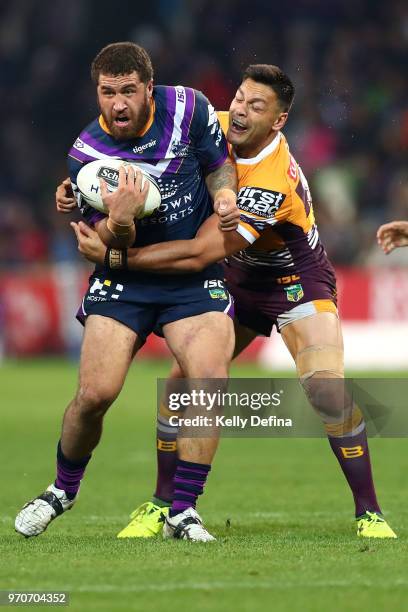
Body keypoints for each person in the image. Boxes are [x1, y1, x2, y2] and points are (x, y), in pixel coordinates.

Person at [66, 64, 397, 540]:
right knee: (182, 390)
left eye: (255, 106)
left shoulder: (271, 179)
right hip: (236, 277)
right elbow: (136, 161)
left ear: (278, 121)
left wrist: (118, 257)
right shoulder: (212, 125)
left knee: (327, 390)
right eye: (240, 98)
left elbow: (203, 251)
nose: (238, 110)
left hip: (293, 279)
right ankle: (163, 506)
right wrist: (77, 188)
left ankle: (370, 512)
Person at [15, 41, 241, 543]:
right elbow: (107, 248)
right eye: (107, 92)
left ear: (149, 88)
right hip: (125, 280)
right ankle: (61, 489)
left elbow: (218, 160)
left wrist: (224, 192)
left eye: (128, 91)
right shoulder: (86, 156)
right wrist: (119, 221)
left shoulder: (190, 108)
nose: (117, 104)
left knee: (208, 381)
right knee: (95, 394)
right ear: (97, 92)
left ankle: (183, 511)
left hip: (190, 279)